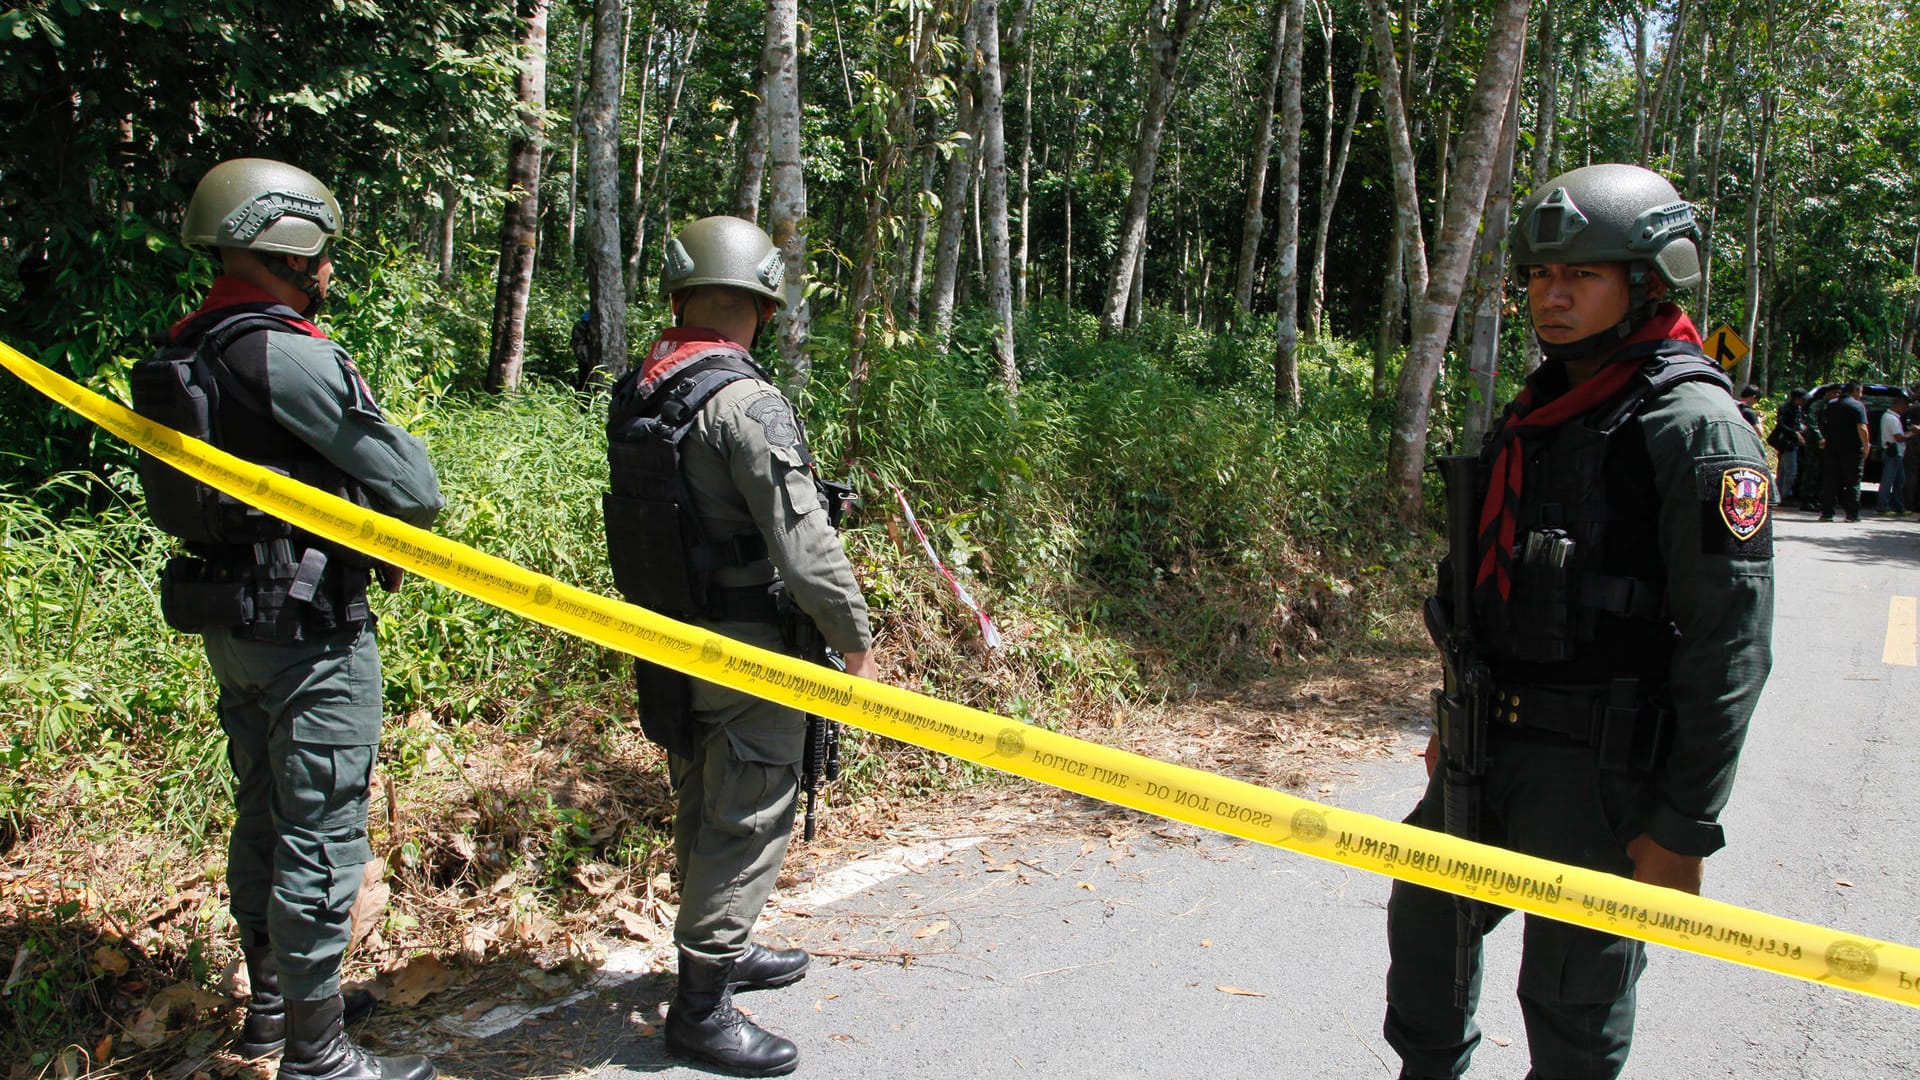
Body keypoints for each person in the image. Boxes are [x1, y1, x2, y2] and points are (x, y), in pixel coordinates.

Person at [1385, 163, 1774, 1080]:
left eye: (1581, 276)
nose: (1551, 297)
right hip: (1492, 743)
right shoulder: (1545, 406)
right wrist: (1450, 727)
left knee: (1571, 1006)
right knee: (1427, 925)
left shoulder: (1693, 427)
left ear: (1644, 282)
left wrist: (1682, 825)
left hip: (1602, 774)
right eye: (1538, 278)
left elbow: (1731, 647)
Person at [133, 159, 443, 1079]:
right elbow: (413, 491)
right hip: (310, 632)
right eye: (322, 252)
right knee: (320, 825)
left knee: (264, 812)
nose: (329, 270)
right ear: (287, 242)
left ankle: (274, 1011)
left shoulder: (189, 344)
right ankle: (318, 1053)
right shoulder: (287, 350)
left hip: (235, 622)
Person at [602, 215, 875, 1077]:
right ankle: (701, 1007)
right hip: (749, 644)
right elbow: (805, 542)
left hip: (670, 633)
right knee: (751, 810)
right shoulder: (746, 403)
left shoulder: (643, 389)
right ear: (758, 308)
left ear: (680, 299)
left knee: (700, 797)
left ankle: (723, 944)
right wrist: (854, 637)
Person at [1818, 381, 1869, 522]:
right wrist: (1866, 447)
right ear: (1856, 391)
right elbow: (1862, 428)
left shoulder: (1831, 405)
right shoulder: (1858, 406)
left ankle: (1827, 513)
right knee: (1852, 482)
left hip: (1832, 448)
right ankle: (1852, 515)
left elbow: (1822, 424)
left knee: (1830, 481)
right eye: (1860, 392)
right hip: (1852, 449)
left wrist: (1826, 438)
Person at [1768, 388, 1809, 507]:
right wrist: (1795, 433)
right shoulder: (1786, 408)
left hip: (1793, 443)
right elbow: (1781, 425)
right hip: (1786, 443)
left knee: (1783, 470)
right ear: (1797, 399)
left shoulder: (1799, 409)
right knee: (1790, 471)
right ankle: (1783, 496)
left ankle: (1779, 495)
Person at [1877, 397, 1909, 514]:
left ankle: (1899, 507)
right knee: (1888, 480)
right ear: (1900, 405)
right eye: (1905, 407)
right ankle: (1882, 507)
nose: (1905, 410)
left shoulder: (1891, 417)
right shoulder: (1891, 418)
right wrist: (1912, 433)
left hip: (1897, 453)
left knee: (1900, 480)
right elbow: (1898, 437)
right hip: (1893, 452)